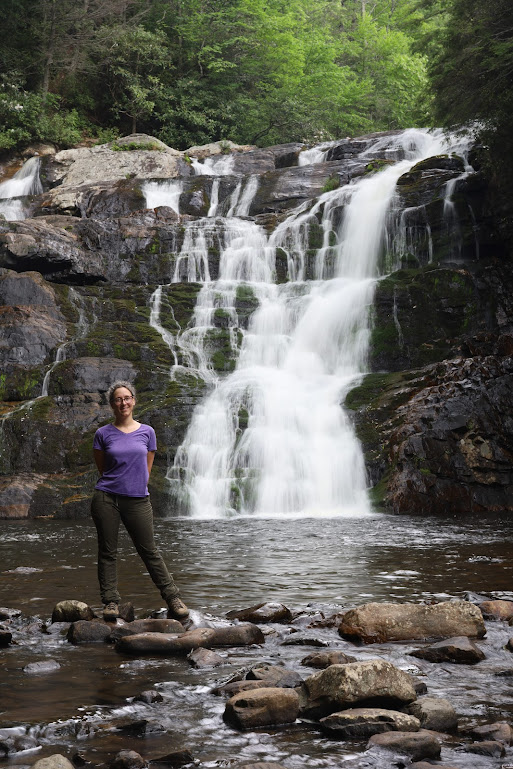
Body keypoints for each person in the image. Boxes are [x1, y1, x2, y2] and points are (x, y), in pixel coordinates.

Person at [91, 380, 189, 622]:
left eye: (126, 398)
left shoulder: (148, 432)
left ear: (133, 401)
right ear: (112, 405)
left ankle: (173, 598)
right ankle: (111, 601)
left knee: (150, 551)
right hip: (107, 498)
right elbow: (103, 468)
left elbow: (146, 469)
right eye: (117, 399)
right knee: (108, 551)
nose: (123, 402)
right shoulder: (102, 434)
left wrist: (135, 486)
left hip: (137, 499)